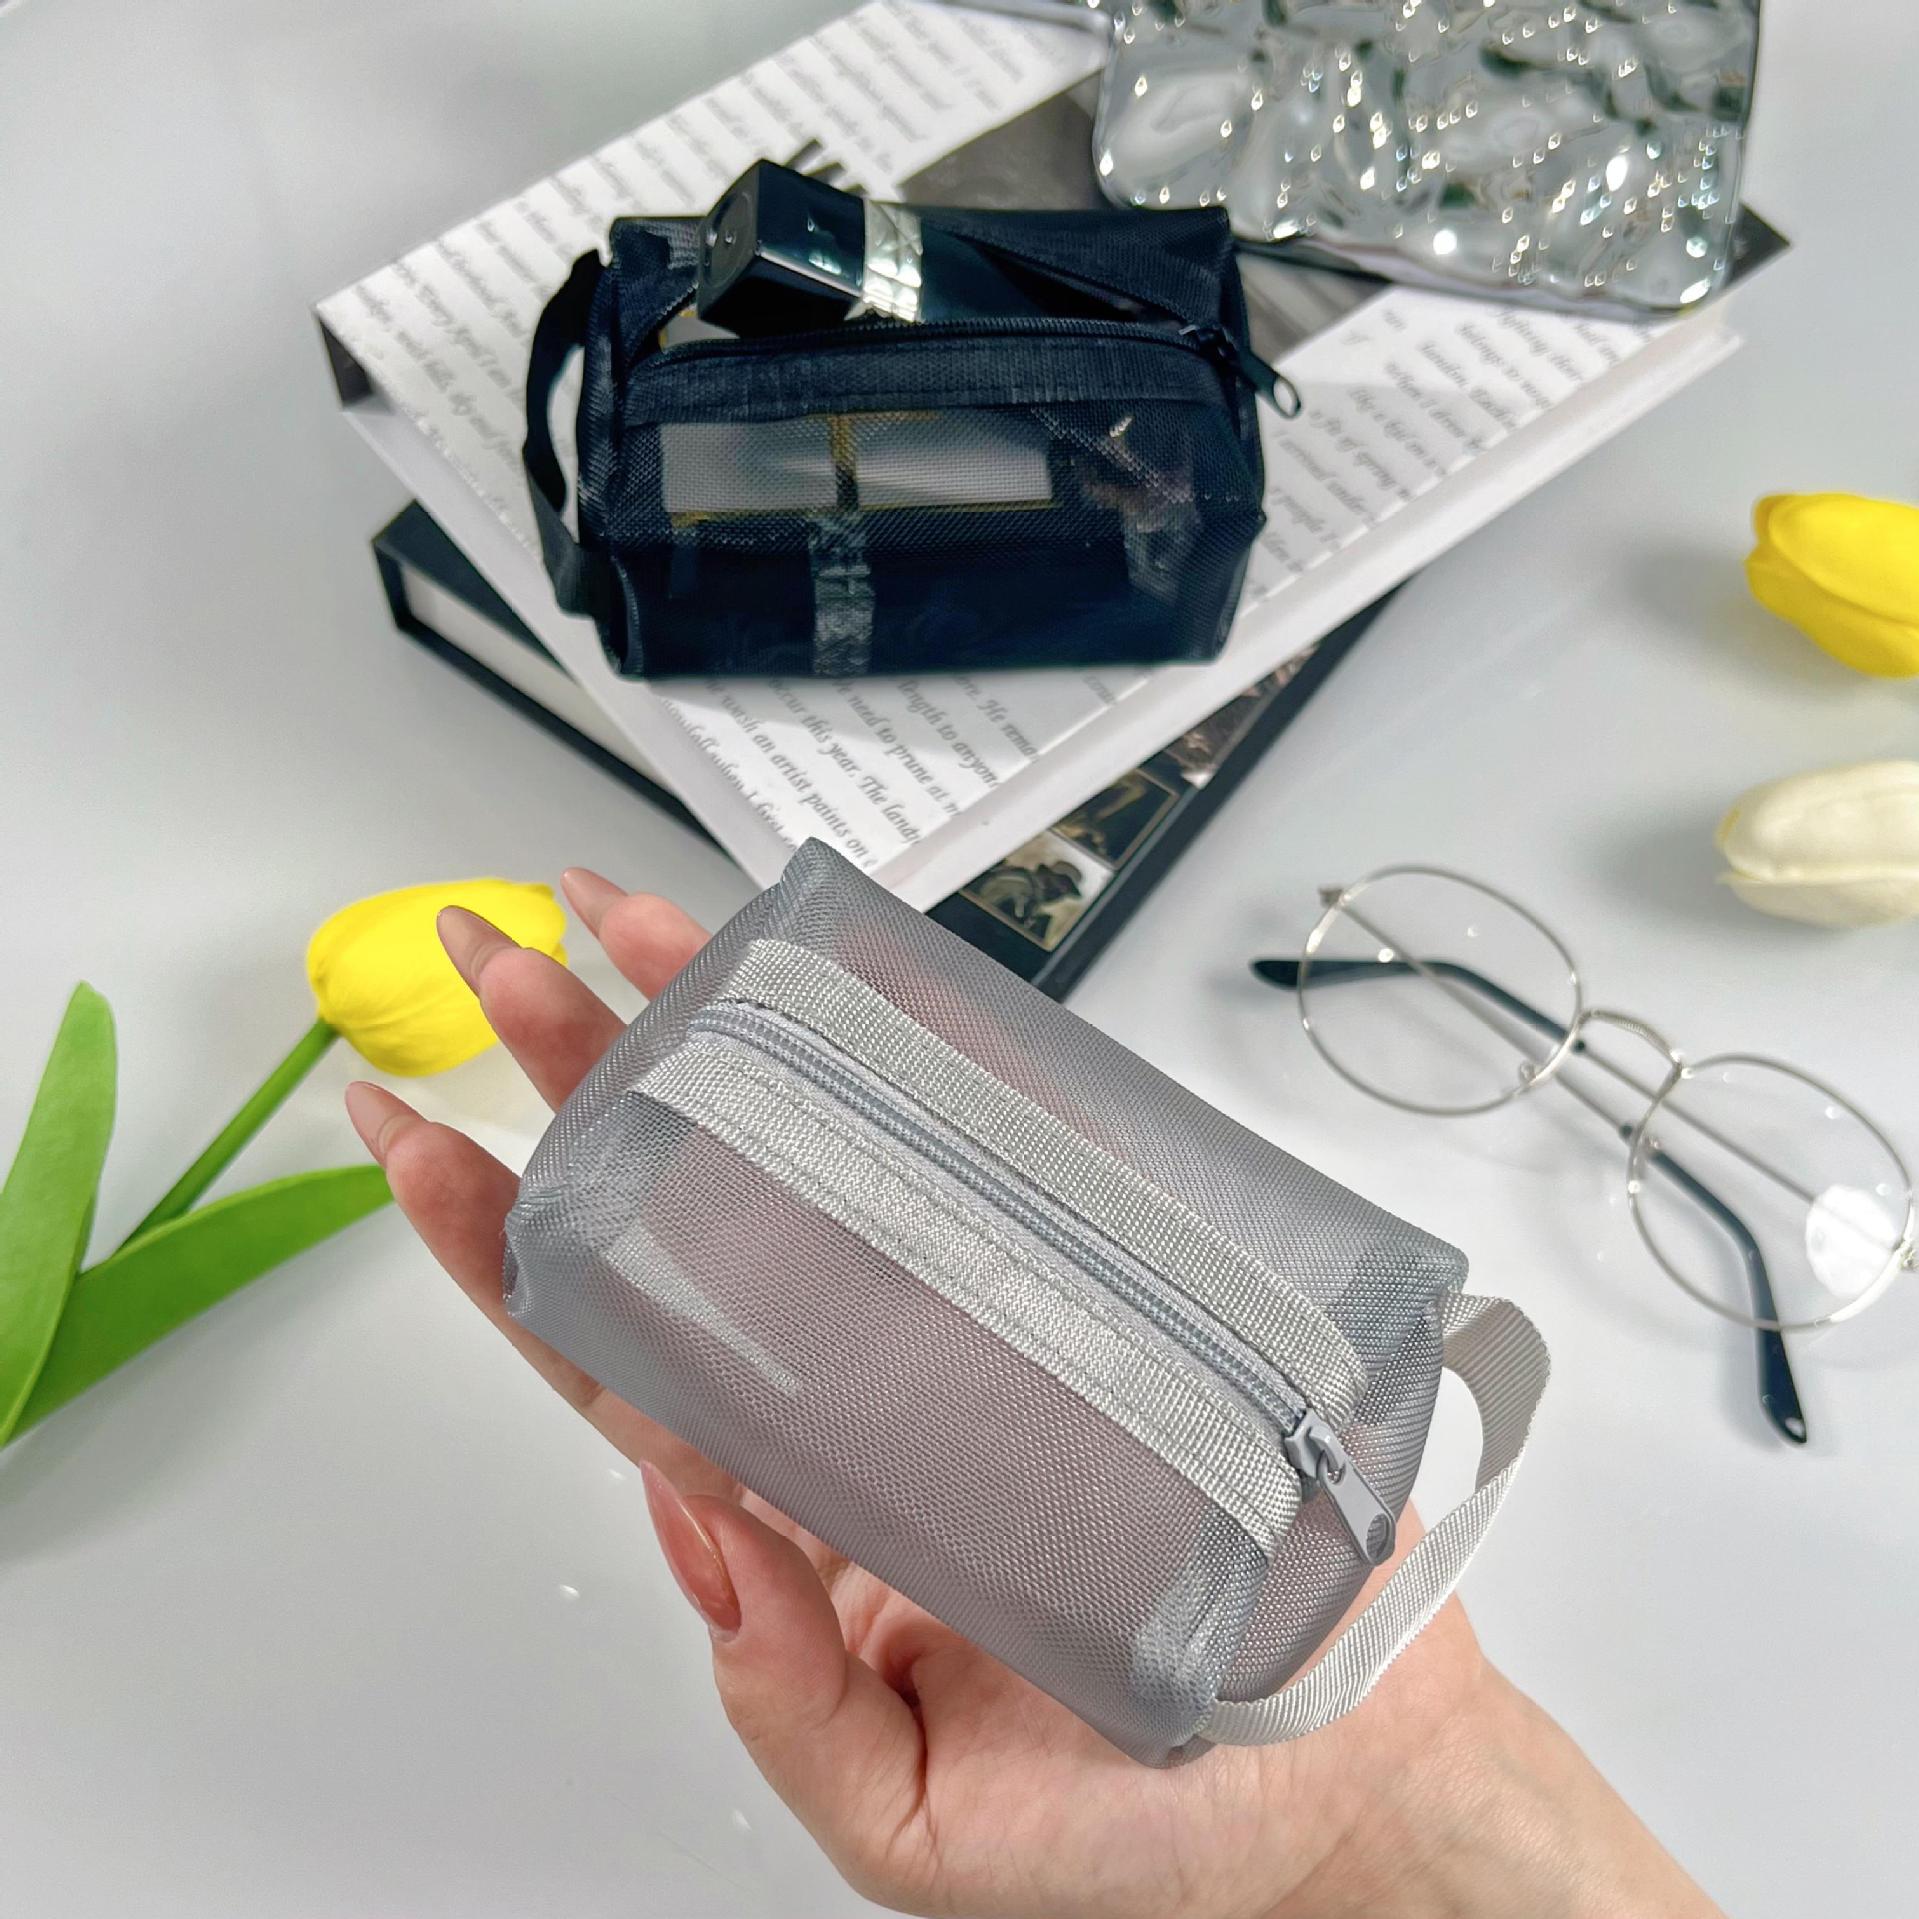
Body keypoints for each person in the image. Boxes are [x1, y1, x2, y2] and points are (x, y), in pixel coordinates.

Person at [342, 868, 1726, 1919]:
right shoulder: (1388, 1372)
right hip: (1316, 1437)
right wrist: (1410, 1812)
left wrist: (1384, 1817)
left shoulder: (1239, 1651)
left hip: (1270, 1529)